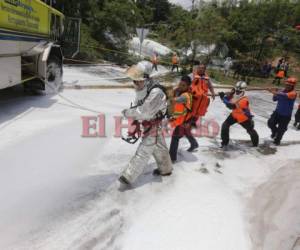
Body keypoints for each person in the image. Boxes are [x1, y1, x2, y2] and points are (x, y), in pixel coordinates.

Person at [119, 61, 173, 185]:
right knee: (159, 147)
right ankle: (166, 169)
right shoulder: (143, 88)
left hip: (153, 122)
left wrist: (128, 113)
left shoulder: (156, 93)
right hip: (150, 122)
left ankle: (128, 176)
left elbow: (145, 112)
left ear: (147, 79)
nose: (135, 83)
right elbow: (138, 105)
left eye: (137, 81)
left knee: (144, 149)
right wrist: (135, 121)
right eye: (134, 81)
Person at [219, 81, 259, 148]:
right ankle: (224, 143)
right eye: (236, 91)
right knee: (225, 125)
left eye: (239, 92)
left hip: (243, 117)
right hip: (234, 115)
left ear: (243, 91)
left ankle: (255, 145)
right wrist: (225, 96)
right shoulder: (234, 95)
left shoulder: (244, 99)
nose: (237, 92)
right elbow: (228, 100)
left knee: (250, 130)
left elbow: (231, 106)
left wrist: (223, 98)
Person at [169, 76, 198, 162]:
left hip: (184, 122)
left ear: (188, 86)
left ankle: (172, 158)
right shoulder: (182, 92)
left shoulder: (185, 96)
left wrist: (170, 94)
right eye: (180, 84)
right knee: (186, 132)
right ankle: (194, 144)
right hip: (186, 120)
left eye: (183, 85)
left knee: (175, 137)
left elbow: (174, 101)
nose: (181, 86)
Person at [267, 77, 298, 145]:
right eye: (287, 85)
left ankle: (277, 140)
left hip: (286, 116)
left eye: (289, 85)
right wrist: (274, 93)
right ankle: (275, 132)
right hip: (277, 113)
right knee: (270, 123)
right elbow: (274, 99)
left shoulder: (293, 93)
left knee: (281, 130)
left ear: (293, 86)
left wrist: (274, 91)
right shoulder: (282, 91)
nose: (287, 86)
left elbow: (285, 95)